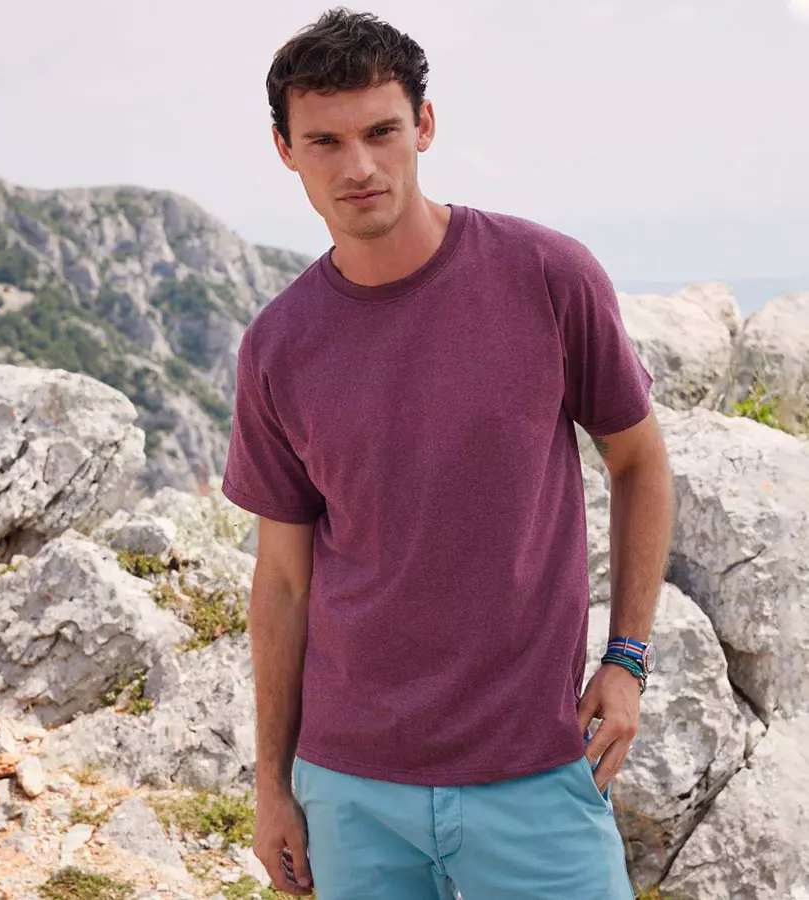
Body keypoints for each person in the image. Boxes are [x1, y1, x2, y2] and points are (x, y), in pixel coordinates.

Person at [220, 8, 675, 899]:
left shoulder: (547, 275)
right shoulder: (277, 346)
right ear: (285, 151)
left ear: (423, 125)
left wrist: (626, 660)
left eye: (381, 132)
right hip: (350, 789)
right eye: (325, 142)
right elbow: (282, 581)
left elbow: (640, 463)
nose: (358, 166)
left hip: (536, 768)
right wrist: (273, 786)